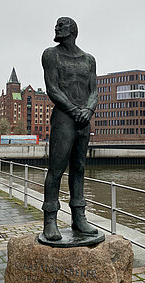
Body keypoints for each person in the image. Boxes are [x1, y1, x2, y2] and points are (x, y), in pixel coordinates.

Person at [41, 17, 98, 240]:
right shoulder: (50, 55)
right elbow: (52, 89)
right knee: (56, 169)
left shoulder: (89, 60)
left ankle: (79, 217)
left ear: (73, 30)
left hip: (84, 119)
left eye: (62, 25)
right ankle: (50, 220)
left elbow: (94, 90)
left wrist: (89, 110)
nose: (56, 27)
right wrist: (74, 110)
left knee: (79, 168)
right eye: (56, 24)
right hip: (65, 118)